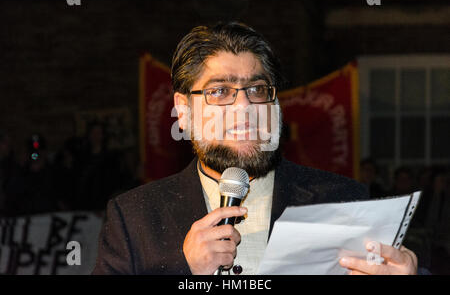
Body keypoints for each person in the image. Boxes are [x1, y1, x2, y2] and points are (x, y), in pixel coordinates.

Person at [93, 22, 419, 275]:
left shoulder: (343, 201)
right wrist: (184, 270)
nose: (244, 107)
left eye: (257, 88)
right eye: (220, 91)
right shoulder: (135, 217)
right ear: (184, 109)